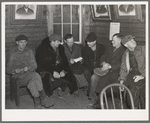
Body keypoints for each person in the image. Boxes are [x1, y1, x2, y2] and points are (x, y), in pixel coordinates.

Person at [6, 34, 54, 109]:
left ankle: (37, 103)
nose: (23, 44)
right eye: (21, 42)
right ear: (17, 42)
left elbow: (35, 65)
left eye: (25, 42)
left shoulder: (29, 51)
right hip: (18, 76)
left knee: (32, 83)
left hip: (29, 73)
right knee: (36, 76)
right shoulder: (12, 53)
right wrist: (15, 70)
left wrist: (28, 68)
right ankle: (44, 98)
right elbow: (8, 70)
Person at [35, 34, 78, 98]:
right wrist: (52, 72)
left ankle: (74, 90)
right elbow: (41, 64)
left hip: (58, 67)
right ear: (52, 41)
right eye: (57, 41)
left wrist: (64, 70)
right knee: (46, 76)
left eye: (59, 41)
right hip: (46, 68)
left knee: (68, 70)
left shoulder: (60, 48)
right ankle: (47, 95)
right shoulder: (42, 49)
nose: (59, 43)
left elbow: (65, 61)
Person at [91, 33, 126, 108]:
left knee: (103, 81)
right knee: (94, 77)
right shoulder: (110, 48)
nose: (112, 42)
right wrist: (103, 63)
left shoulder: (124, 51)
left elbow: (123, 64)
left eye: (114, 40)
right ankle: (95, 99)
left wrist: (110, 66)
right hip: (105, 69)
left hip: (116, 72)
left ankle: (100, 102)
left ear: (120, 41)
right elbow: (103, 56)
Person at [119, 35, 145, 109]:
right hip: (132, 74)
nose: (133, 41)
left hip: (143, 74)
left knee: (134, 90)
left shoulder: (143, 49)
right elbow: (123, 68)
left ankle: (135, 109)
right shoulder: (125, 54)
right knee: (124, 88)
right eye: (130, 41)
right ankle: (131, 108)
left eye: (133, 39)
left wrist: (142, 76)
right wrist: (122, 80)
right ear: (126, 45)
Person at [82, 32, 105, 97]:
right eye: (87, 42)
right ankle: (90, 91)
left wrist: (98, 69)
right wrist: (93, 70)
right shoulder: (85, 49)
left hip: (99, 67)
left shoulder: (101, 47)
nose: (87, 43)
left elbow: (103, 59)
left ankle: (93, 92)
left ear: (94, 41)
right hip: (88, 67)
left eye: (89, 42)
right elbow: (86, 62)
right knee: (87, 73)